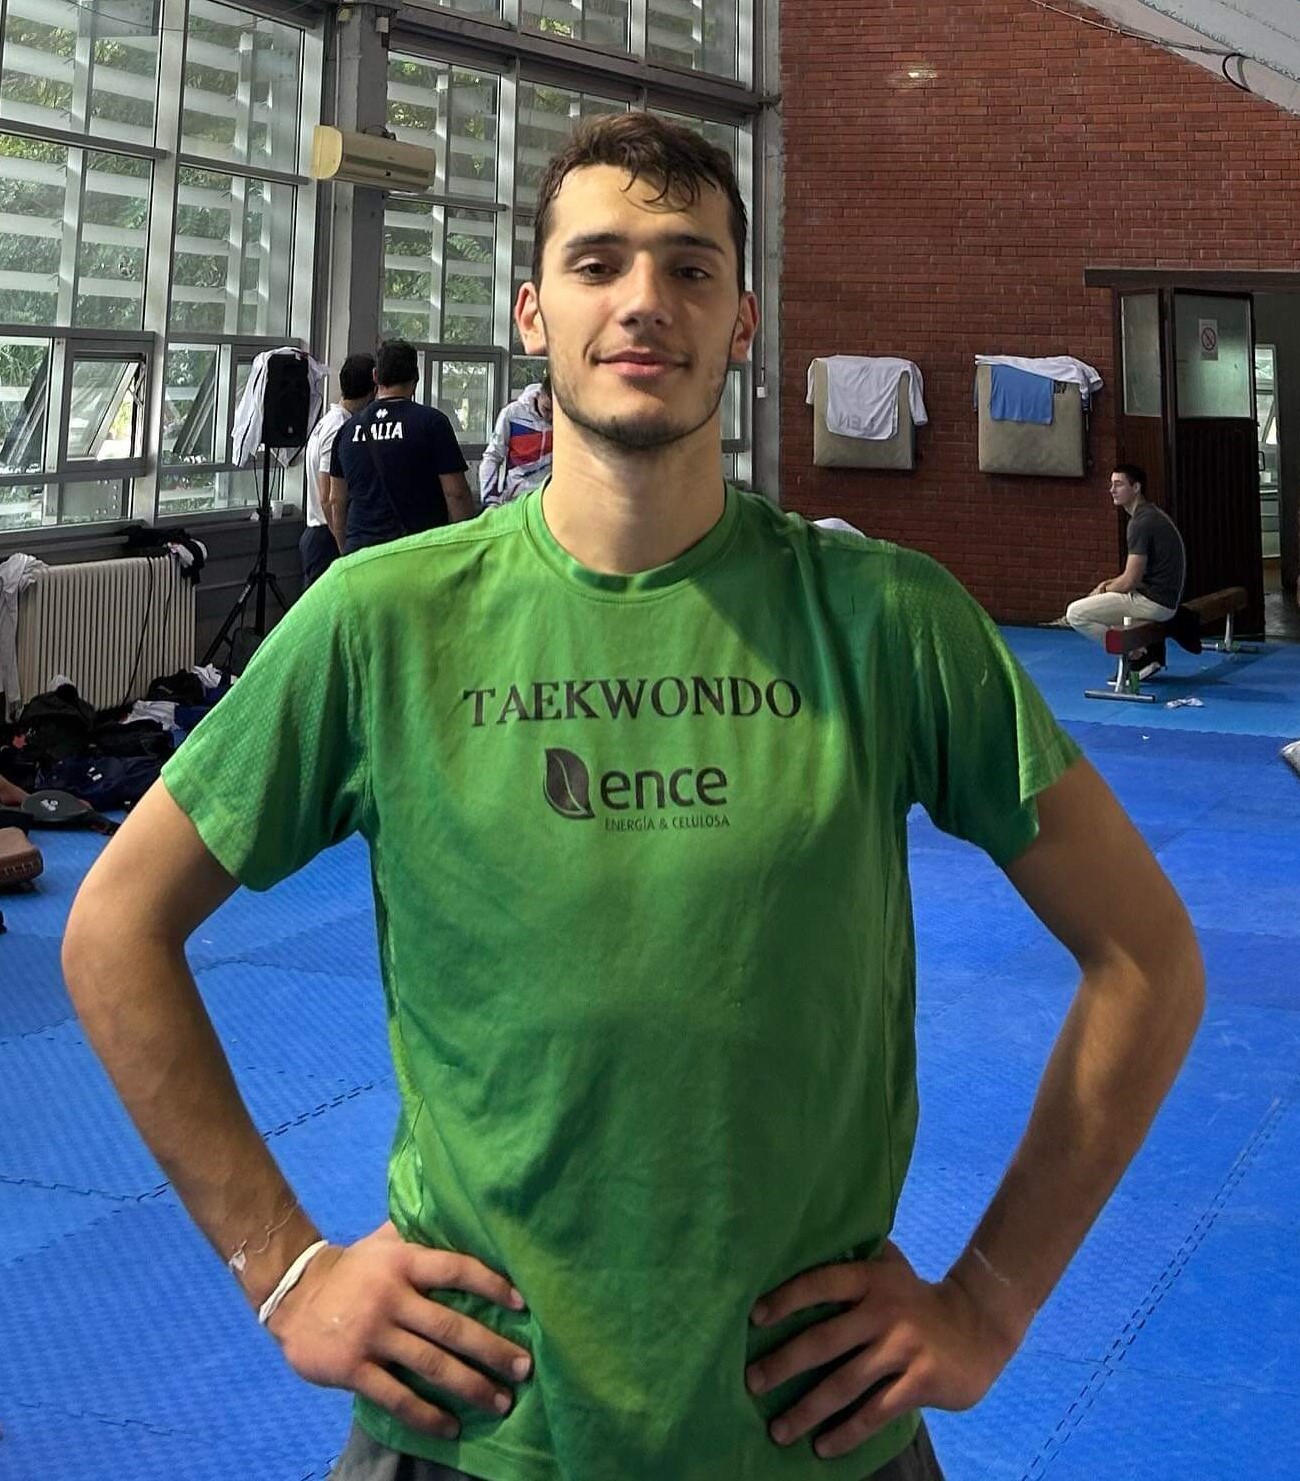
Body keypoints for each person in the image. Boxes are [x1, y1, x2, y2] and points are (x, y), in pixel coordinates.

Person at [62, 116, 1204, 1481]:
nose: (644, 299)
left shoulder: (888, 619)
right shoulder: (384, 619)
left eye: (689, 266)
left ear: (742, 321)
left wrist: (992, 1300)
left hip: (812, 1436)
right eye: (598, 263)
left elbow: (1149, 954)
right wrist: (285, 1264)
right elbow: (113, 925)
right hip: (473, 1430)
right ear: (533, 313)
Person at [327, 339, 477, 553]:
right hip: (417, 550)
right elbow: (456, 493)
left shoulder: (347, 430)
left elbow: (336, 500)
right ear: (416, 377)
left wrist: (346, 551)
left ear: (375, 376)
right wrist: (467, 545)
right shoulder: (431, 423)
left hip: (362, 552)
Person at [1065, 465, 1186, 679]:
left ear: (1136, 487)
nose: (1112, 489)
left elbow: (1130, 581)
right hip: (1163, 599)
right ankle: (1144, 654)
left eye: (1119, 484)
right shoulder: (1151, 515)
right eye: (1111, 484)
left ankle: (1137, 654)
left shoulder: (1140, 523)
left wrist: (1103, 591)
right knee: (1105, 606)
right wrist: (1107, 585)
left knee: (1075, 614)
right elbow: (1133, 576)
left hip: (1154, 603)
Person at [301, 353, 375, 588]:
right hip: (327, 535)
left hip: (323, 532)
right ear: (373, 390)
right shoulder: (339, 427)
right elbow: (328, 496)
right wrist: (343, 545)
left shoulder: (328, 421)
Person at [479, 374, 555, 508]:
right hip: (516, 500)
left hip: (550, 501)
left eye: (556, 411)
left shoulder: (567, 418)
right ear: (539, 395)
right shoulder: (513, 413)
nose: (551, 417)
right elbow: (492, 456)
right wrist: (490, 500)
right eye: (547, 409)